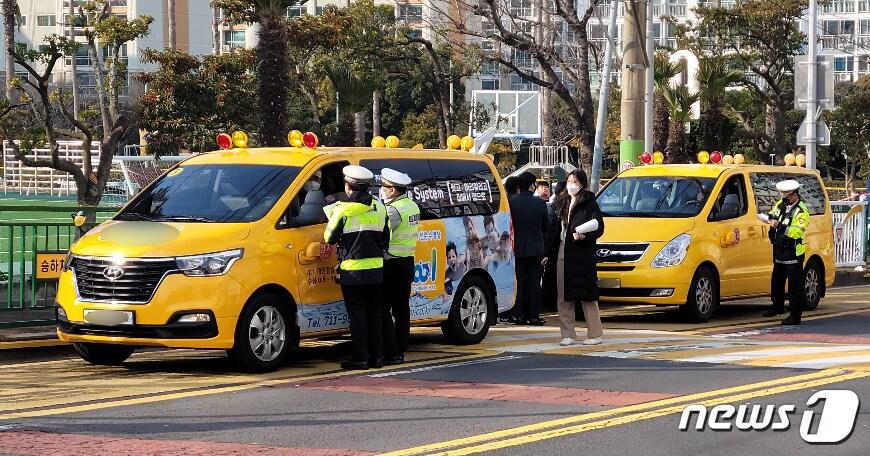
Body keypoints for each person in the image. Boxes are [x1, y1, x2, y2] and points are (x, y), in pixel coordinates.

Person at [323, 165, 389, 369]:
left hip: (352, 271)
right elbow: (388, 239)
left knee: (358, 316)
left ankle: (360, 358)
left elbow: (329, 238)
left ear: (348, 187)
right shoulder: (380, 207)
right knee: (375, 314)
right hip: (377, 270)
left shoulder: (342, 209)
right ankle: (377, 358)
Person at [553, 170, 605, 345]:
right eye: (569, 181)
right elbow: (555, 229)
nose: (571, 184)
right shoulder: (562, 201)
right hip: (563, 250)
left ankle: (595, 333)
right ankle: (567, 334)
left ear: (582, 183)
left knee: (587, 293)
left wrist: (585, 236)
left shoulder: (589, 202)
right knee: (563, 294)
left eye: (574, 181)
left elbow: (599, 227)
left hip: (582, 253)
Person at [378, 168, 421, 365]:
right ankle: (402, 345)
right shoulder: (411, 205)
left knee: (385, 307)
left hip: (391, 262)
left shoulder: (392, 210)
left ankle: (391, 348)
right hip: (407, 261)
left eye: (385, 187)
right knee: (402, 308)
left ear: (393, 190)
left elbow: (382, 234)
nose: (381, 190)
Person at [763, 179, 810, 325]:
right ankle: (777, 307)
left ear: (795, 195)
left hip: (793, 253)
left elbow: (796, 232)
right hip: (779, 249)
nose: (785, 199)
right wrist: (769, 219)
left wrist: (779, 225)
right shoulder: (782, 204)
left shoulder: (802, 211)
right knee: (776, 281)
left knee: (795, 287)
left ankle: (795, 315)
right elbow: (773, 214)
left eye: (787, 197)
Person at [508, 171, 548, 325]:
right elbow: (545, 227)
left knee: (518, 282)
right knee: (534, 283)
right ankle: (533, 315)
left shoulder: (512, 203)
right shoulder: (540, 204)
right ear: (532, 185)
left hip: (516, 249)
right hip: (535, 248)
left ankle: (518, 314)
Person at [542, 181, 567, 311]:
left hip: (553, 247)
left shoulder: (554, 206)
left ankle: (549, 302)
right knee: (553, 275)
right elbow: (551, 230)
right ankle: (551, 302)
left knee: (551, 276)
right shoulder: (556, 207)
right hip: (555, 247)